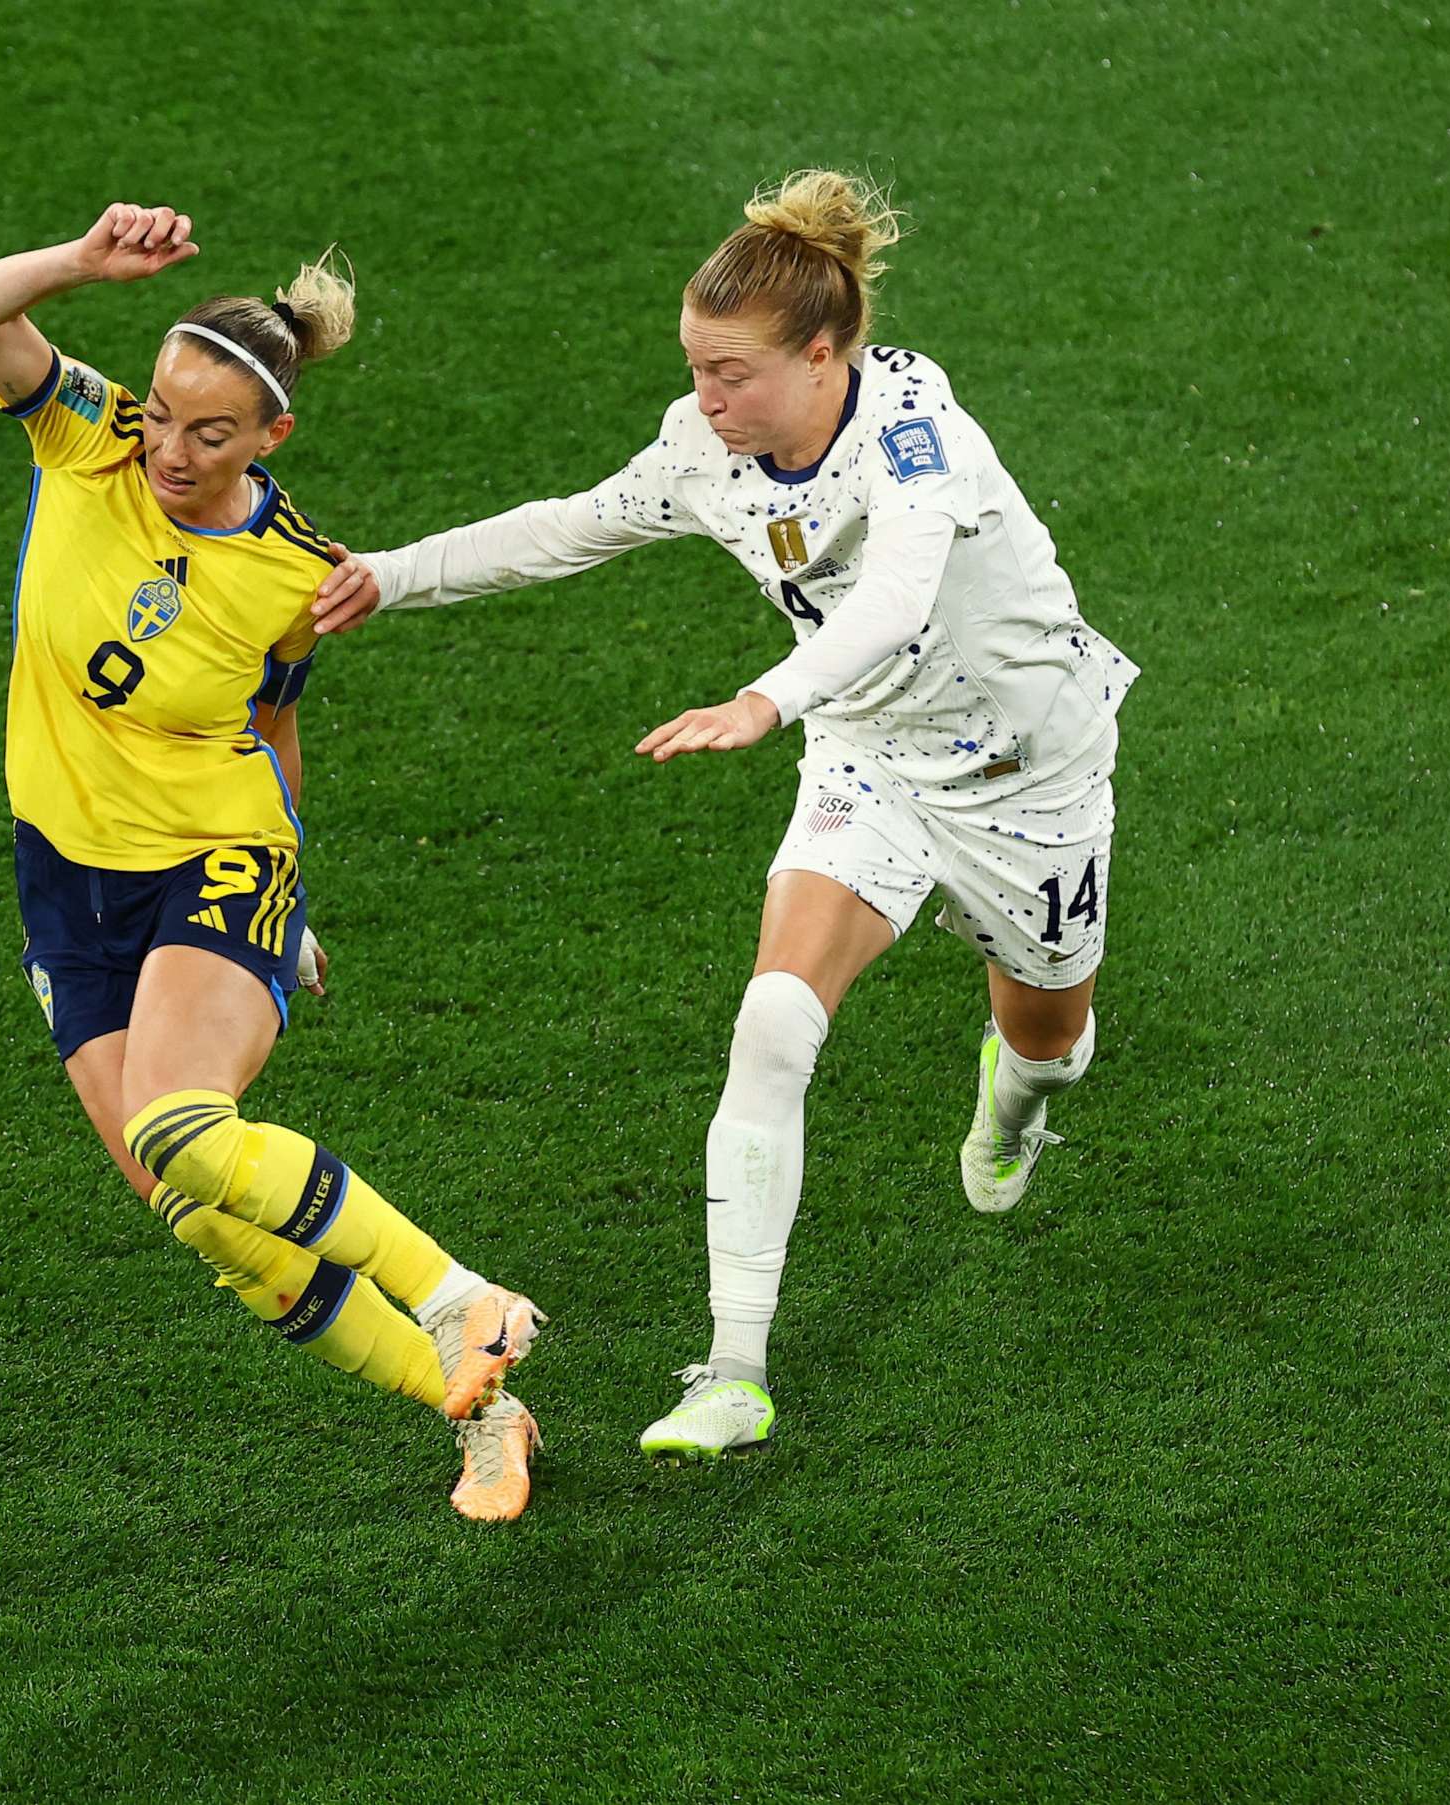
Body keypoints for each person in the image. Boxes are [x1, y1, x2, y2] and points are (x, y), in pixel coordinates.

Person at [308, 170, 1136, 1464]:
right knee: (771, 1021)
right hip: (869, 758)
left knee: (1050, 1040)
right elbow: (571, 526)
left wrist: (767, 696)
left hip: (1029, 770)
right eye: (695, 369)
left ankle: (1017, 1092)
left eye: (732, 374)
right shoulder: (709, 450)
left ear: (824, 355)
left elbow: (898, 600)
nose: (707, 400)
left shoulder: (918, 430)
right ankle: (733, 1367)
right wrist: (391, 575)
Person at [0, 203, 547, 1520]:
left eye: (206, 432)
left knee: (180, 1122)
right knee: (206, 1218)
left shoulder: (297, 575)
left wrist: (283, 905)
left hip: (215, 854)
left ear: (273, 435)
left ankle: (463, 1300)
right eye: (160, 413)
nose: (167, 447)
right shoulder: (85, 436)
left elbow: (270, 727)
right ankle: (485, 1413)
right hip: (66, 881)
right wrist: (81, 266)